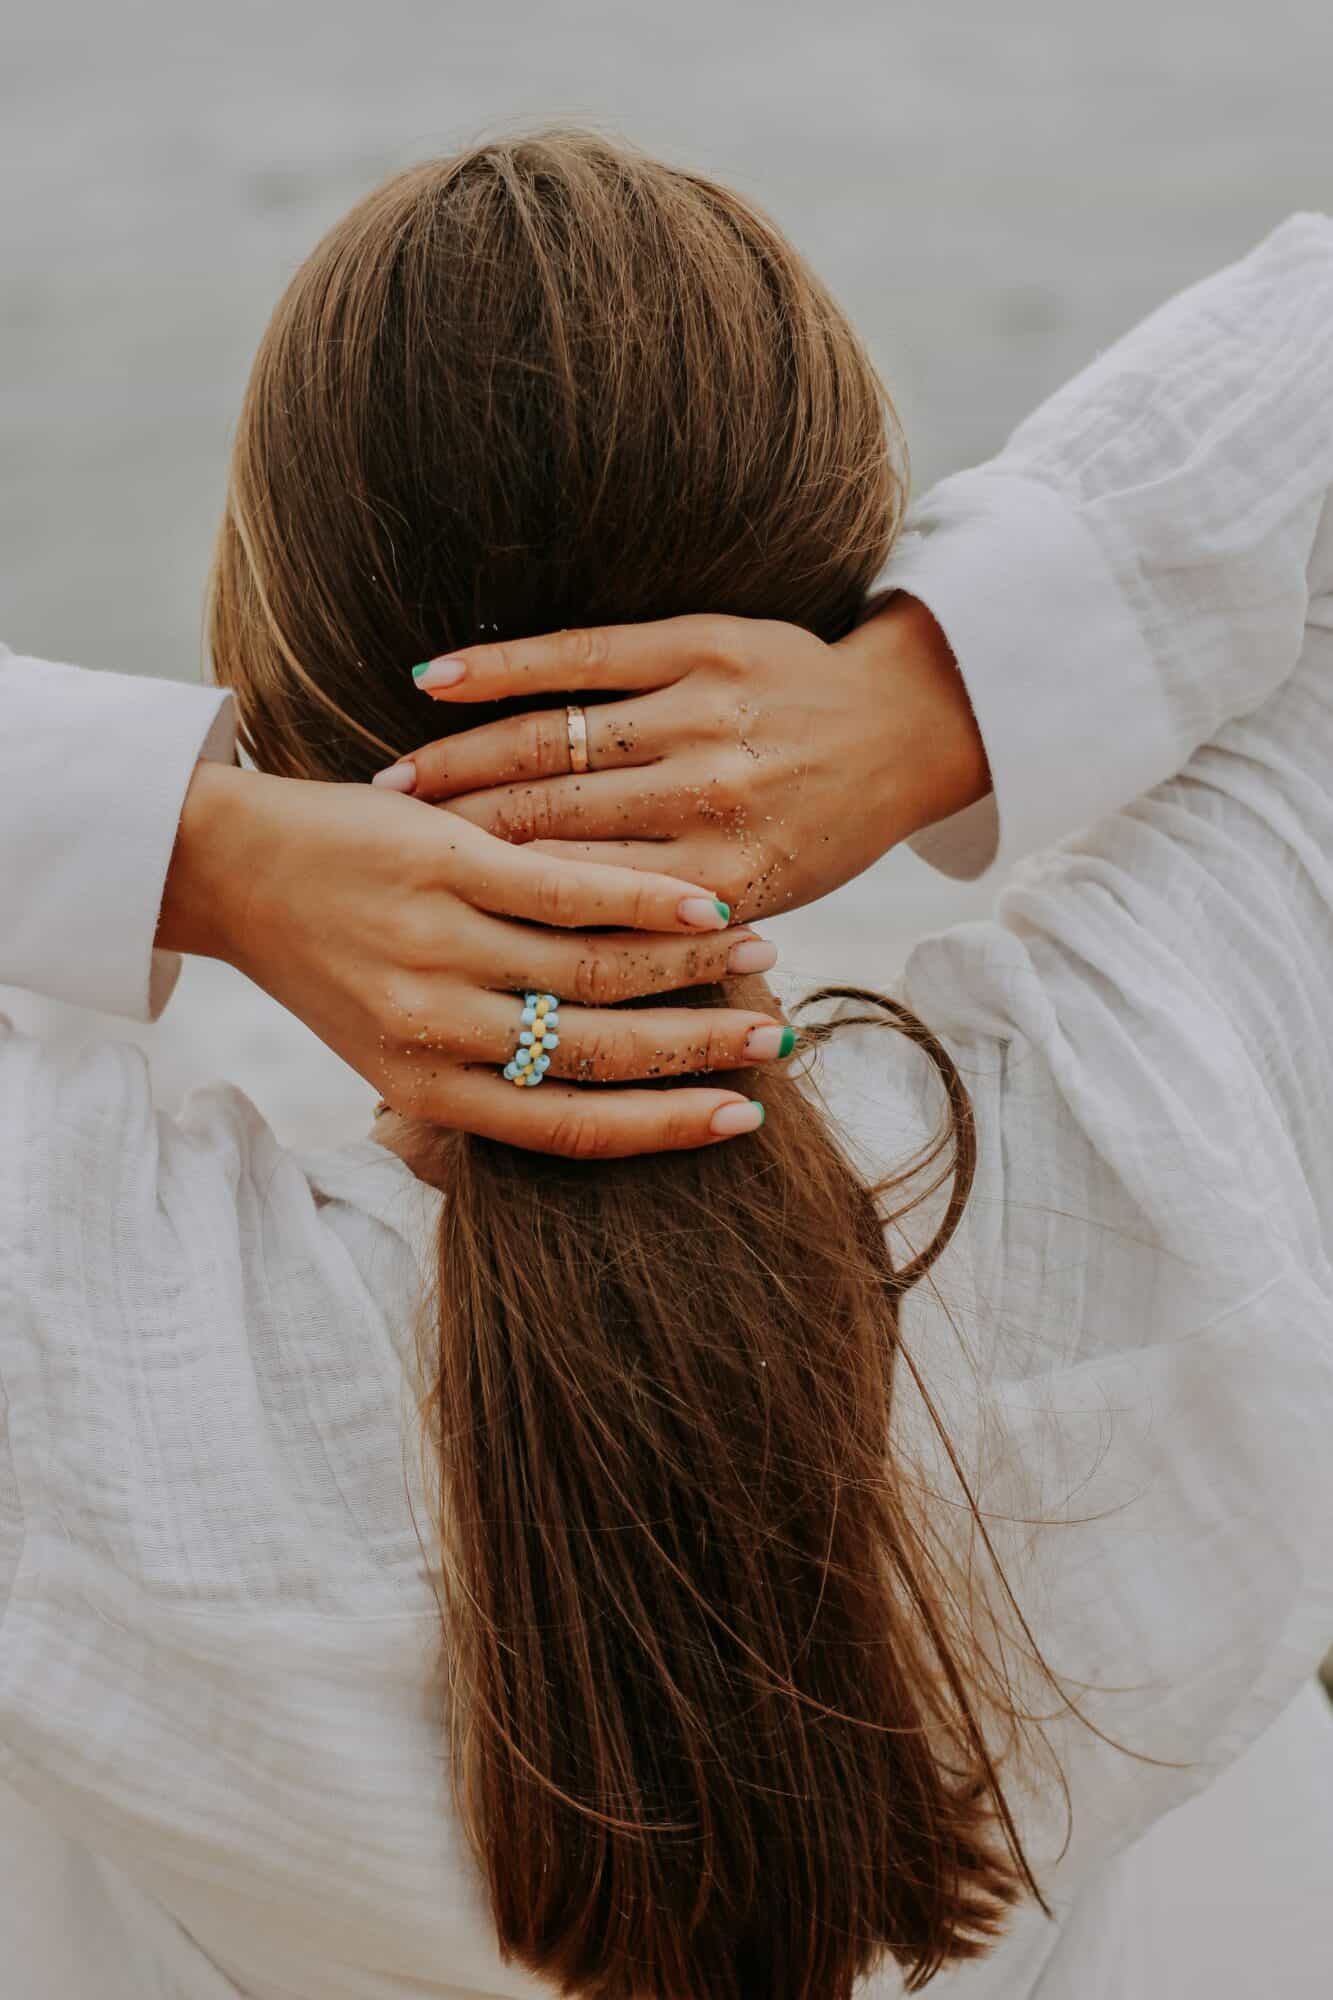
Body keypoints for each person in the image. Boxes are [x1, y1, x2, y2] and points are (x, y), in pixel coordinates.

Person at [1, 130, 1331, 2000]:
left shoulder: (86, 1355)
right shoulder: (1163, 1155)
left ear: (270, 647)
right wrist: (939, 692)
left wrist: (192, 855)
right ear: (819, 602)